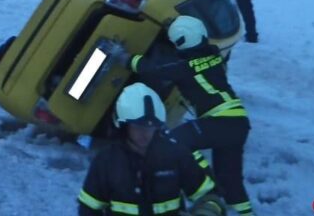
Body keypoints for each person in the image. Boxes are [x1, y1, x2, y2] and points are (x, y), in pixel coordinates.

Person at [116, 16, 255, 215]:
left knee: (175, 140)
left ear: (182, 42)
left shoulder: (186, 68)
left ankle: (209, 192)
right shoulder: (214, 57)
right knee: (231, 181)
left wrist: (125, 58)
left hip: (220, 119)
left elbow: (155, 70)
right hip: (238, 122)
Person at [78, 83, 225, 216]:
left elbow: (209, 195)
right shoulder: (106, 162)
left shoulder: (175, 155)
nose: (145, 134)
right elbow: (88, 208)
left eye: (150, 127)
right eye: (138, 127)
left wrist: (207, 210)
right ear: (124, 126)